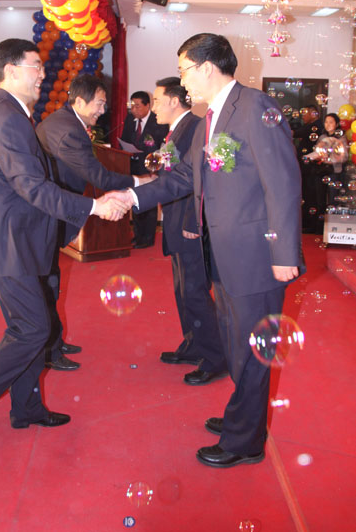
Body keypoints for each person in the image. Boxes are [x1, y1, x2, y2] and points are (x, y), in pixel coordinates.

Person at [110, 33, 304, 468]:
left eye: (184, 71)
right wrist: (132, 197)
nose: (182, 81)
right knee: (236, 346)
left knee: (251, 353)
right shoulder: (210, 118)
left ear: (207, 67)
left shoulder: (255, 108)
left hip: (257, 258)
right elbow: (183, 177)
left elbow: (283, 183)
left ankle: (244, 442)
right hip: (223, 255)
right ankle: (244, 418)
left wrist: (285, 254)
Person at [0, 39, 125, 439]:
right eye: (36, 66)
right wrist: (94, 206)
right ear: (10, 71)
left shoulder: (10, 113)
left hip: (17, 238)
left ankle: (26, 408)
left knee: (29, 327)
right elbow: (31, 186)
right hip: (8, 242)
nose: (43, 74)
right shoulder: (7, 118)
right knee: (32, 329)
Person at [36, 74, 149, 371]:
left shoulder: (66, 122)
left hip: (53, 213)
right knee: (46, 286)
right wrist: (140, 181)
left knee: (51, 282)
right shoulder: (67, 130)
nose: (102, 109)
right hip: (46, 216)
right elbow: (99, 176)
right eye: (99, 103)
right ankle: (49, 350)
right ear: (79, 101)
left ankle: (54, 341)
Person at [151, 77, 227, 382]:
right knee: (182, 289)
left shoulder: (194, 127)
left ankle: (216, 356)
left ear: (173, 100)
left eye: (157, 100)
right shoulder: (178, 128)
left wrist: (191, 222)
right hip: (176, 221)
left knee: (195, 291)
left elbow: (199, 180)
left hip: (188, 225)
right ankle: (194, 343)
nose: (154, 107)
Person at [120, 91, 168, 248]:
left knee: (149, 203)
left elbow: (162, 146)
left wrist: (155, 168)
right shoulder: (129, 119)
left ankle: (147, 238)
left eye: (137, 106)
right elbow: (124, 140)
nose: (133, 109)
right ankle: (137, 235)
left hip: (149, 168)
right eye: (132, 105)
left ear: (148, 105)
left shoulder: (158, 121)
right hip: (132, 166)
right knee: (135, 201)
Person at [294, 104, 324, 233]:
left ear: (313, 113)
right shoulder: (309, 126)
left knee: (311, 196)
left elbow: (296, 133)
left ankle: (312, 225)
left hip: (312, 169)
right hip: (305, 168)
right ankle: (307, 223)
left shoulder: (315, 126)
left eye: (305, 113)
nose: (303, 116)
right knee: (306, 195)